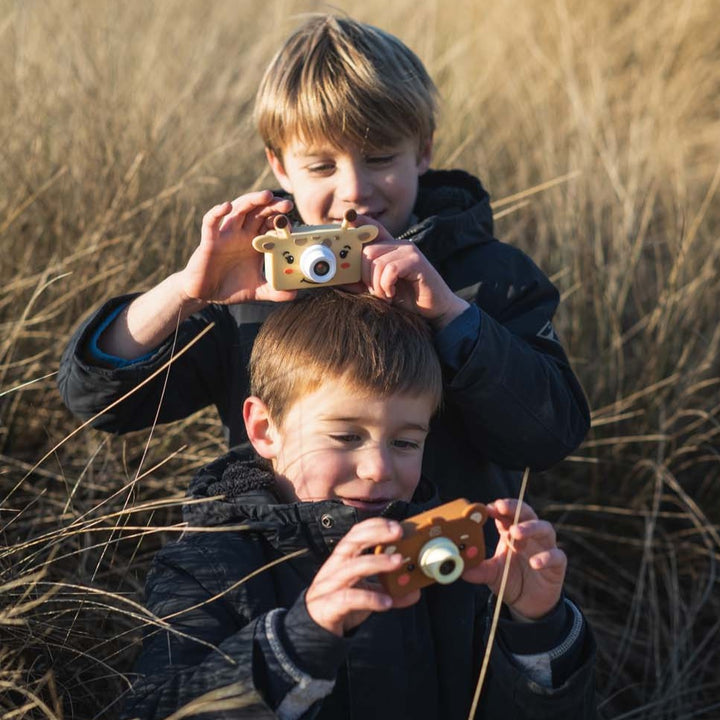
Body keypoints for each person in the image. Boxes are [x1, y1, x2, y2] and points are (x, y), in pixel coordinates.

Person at [57, 14, 590, 506]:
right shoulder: (249, 281)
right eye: (320, 166)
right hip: (278, 575)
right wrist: (187, 291)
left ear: (424, 150)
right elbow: (97, 402)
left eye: (380, 158)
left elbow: (550, 436)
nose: (354, 190)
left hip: (440, 576)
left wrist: (451, 315)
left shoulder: (488, 278)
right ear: (280, 166)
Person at [121, 290, 596, 720]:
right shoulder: (205, 562)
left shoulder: (463, 563)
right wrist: (300, 640)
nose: (377, 468)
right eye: (346, 436)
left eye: (406, 443)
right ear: (265, 429)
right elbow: (153, 709)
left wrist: (535, 628)